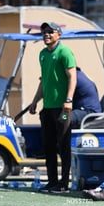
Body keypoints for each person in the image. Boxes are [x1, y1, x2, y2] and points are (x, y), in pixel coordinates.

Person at [29, 22, 77, 193]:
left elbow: (72, 77)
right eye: (44, 32)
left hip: (62, 109)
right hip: (48, 108)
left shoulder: (64, 52)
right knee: (48, 146)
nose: (46, 34)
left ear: (59, 34)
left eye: (50, 32)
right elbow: (44, 81)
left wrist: (69, 100)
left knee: (63, 144)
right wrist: (35, 100)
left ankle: (64, 183)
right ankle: (52, 181)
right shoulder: (42, 54)